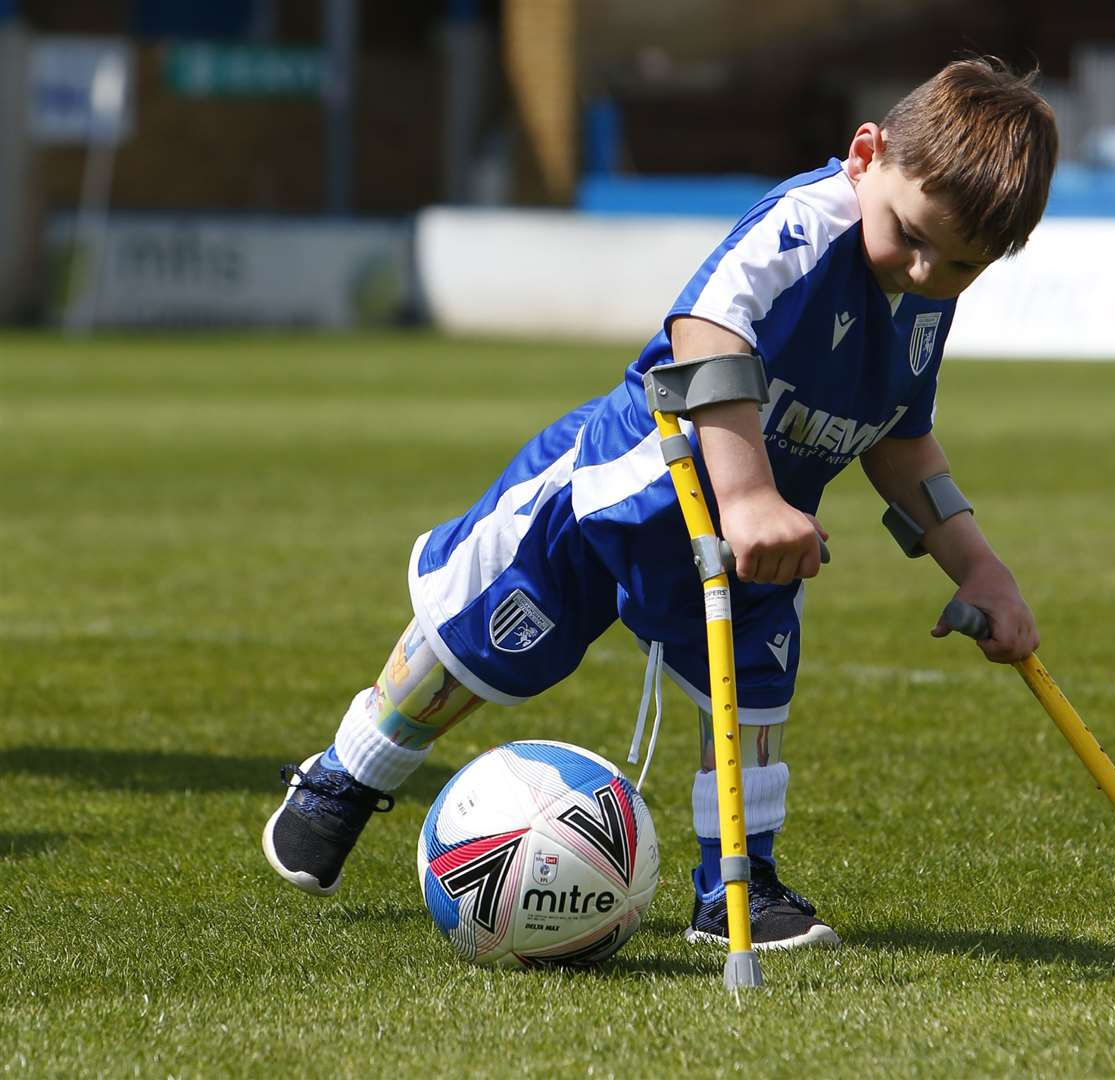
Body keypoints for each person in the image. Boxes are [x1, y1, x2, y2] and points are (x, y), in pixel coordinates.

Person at [263, 56, 1056, 950]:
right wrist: (751, 494)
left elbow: (901, 439)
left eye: (960, 265)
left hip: (745, 544)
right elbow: (705, 329)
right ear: (865, 156)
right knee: (472, 641)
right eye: (909, 235)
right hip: (619, 491)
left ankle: (735, 889)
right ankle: (348, 774)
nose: (921, 271)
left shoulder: (920, 303)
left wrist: (980, 566)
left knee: (754, 690)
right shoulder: (805, 224)